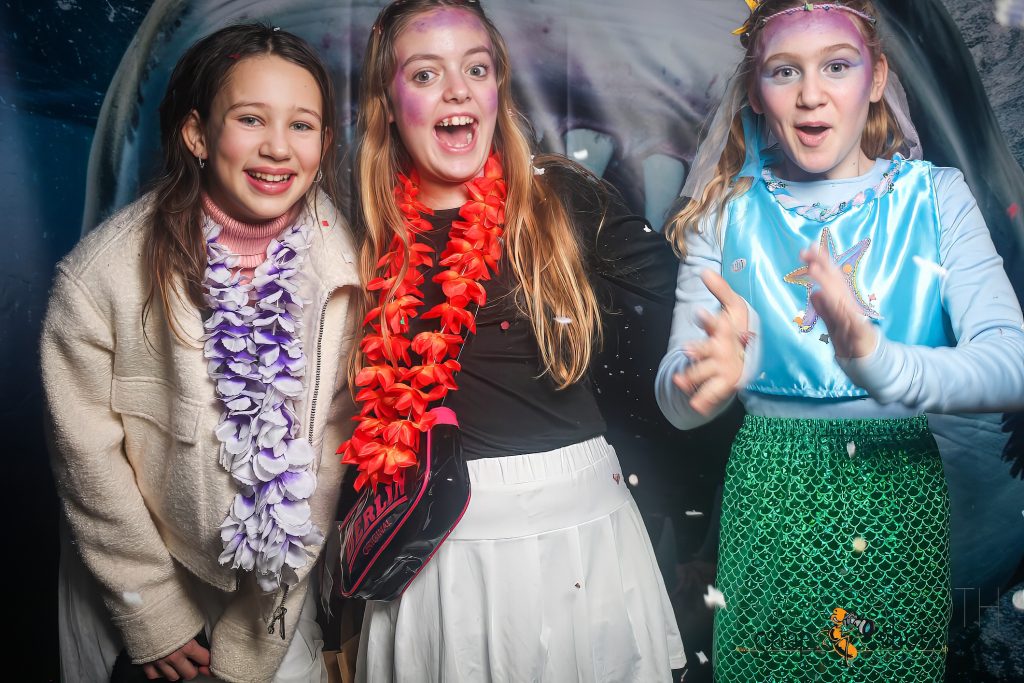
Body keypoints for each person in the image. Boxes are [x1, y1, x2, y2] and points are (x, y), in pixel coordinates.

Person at [655, 1, 1024, 681]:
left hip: (895, 493)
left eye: (836, 66)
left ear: (876, 78)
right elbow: (675, 399)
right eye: (784, 71)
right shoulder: (724, 215)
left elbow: (1013, 364)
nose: (811, 94)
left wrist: (880, 362)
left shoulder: (936, 198)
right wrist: (697, 383)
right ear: (756, 91)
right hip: (768, 497)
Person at [339, 0, 685, 680]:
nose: (458, 90)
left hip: (577, 538)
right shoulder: (365, 228)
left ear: (499, 86)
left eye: (476, 68)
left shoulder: (562, 200)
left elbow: (687, 301)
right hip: (433, 555)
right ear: (388, 102)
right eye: (426, 74)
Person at [41, 23, 359, 682]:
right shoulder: (102, 275)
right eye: (250, 118)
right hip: (144, 580)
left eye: (301, 125)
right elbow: (86, 457)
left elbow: (329, 455)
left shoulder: (345, 270)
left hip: (276, 595)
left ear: (325, 143)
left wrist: (260, 627)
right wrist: (151, 610)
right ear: (197, 134)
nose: (278, 147)